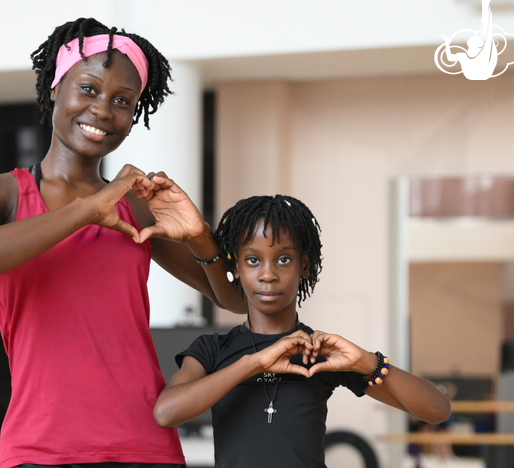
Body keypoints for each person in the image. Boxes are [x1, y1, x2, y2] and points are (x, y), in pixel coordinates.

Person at [0, 17, 246, 468]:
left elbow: (235, 298)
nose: (103, 110)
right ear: (54, 88)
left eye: (122, 101)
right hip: (42, 448)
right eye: (88, 89)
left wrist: (200, 235)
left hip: (146, 447)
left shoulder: (136, 206)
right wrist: (88, 209)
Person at [153, 195, 452, 467]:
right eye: (253, 260)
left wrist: (366, 362)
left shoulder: (320, 353)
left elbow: (437, 410)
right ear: (238, 268)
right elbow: (166, 412)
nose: (268, 274)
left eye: (284, 259)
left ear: (304, 267)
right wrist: (253, 363)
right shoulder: (212, 350)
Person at [441, 0, 497, 80]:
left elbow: (486, 23)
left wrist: (447, 44)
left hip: (480, 73)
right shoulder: (466, 56)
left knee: (486, 27)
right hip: (478, 73)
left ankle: (485, 0)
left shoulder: (477, 54)